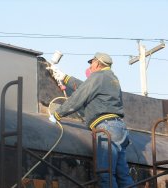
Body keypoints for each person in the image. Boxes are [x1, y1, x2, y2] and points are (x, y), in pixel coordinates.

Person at [47, 52, 135, 188]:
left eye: (91, 62)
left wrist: (57, 114)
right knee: (123, 176)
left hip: (106, 129)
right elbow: (86, 87)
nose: (90, 65)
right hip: (119, 128)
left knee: (105, 174)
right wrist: (65, 77)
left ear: (98, 63)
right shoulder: (111, 78)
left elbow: (80, 95)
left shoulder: (98, 76)